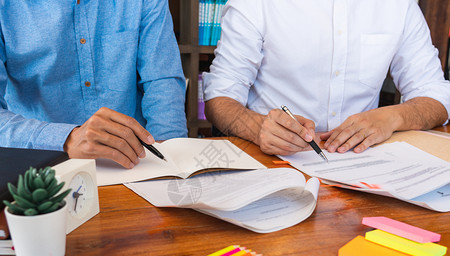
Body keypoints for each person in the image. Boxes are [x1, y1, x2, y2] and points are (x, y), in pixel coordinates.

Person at [203, 0, 450, 156]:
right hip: (273, 162)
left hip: (362, 165)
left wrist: (392, 117)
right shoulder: (257, 4)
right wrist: (257, 128)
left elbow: (436, 96)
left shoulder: (400, 6)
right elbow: (219, 98)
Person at [0, 0, 187, 169]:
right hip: (43, 168)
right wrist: (67, 139)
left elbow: (163, 82)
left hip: (135, 164)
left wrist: (171, 161)